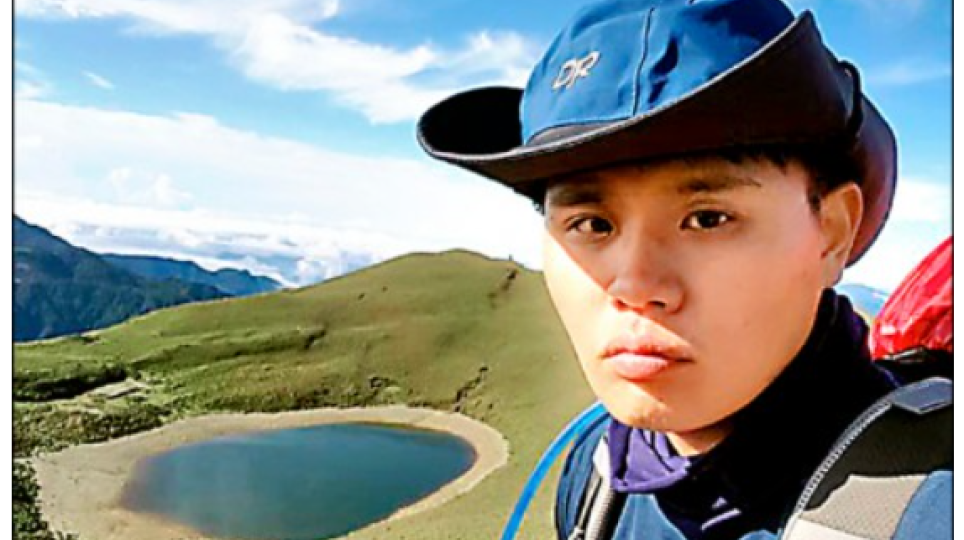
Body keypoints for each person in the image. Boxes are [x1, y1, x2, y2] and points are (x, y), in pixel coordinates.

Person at [417, 0, 950, 538]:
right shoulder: (596, 476)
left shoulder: (934, 512)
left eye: (707, 218)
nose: (635, 286)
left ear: (832, 233)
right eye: (592, 224)